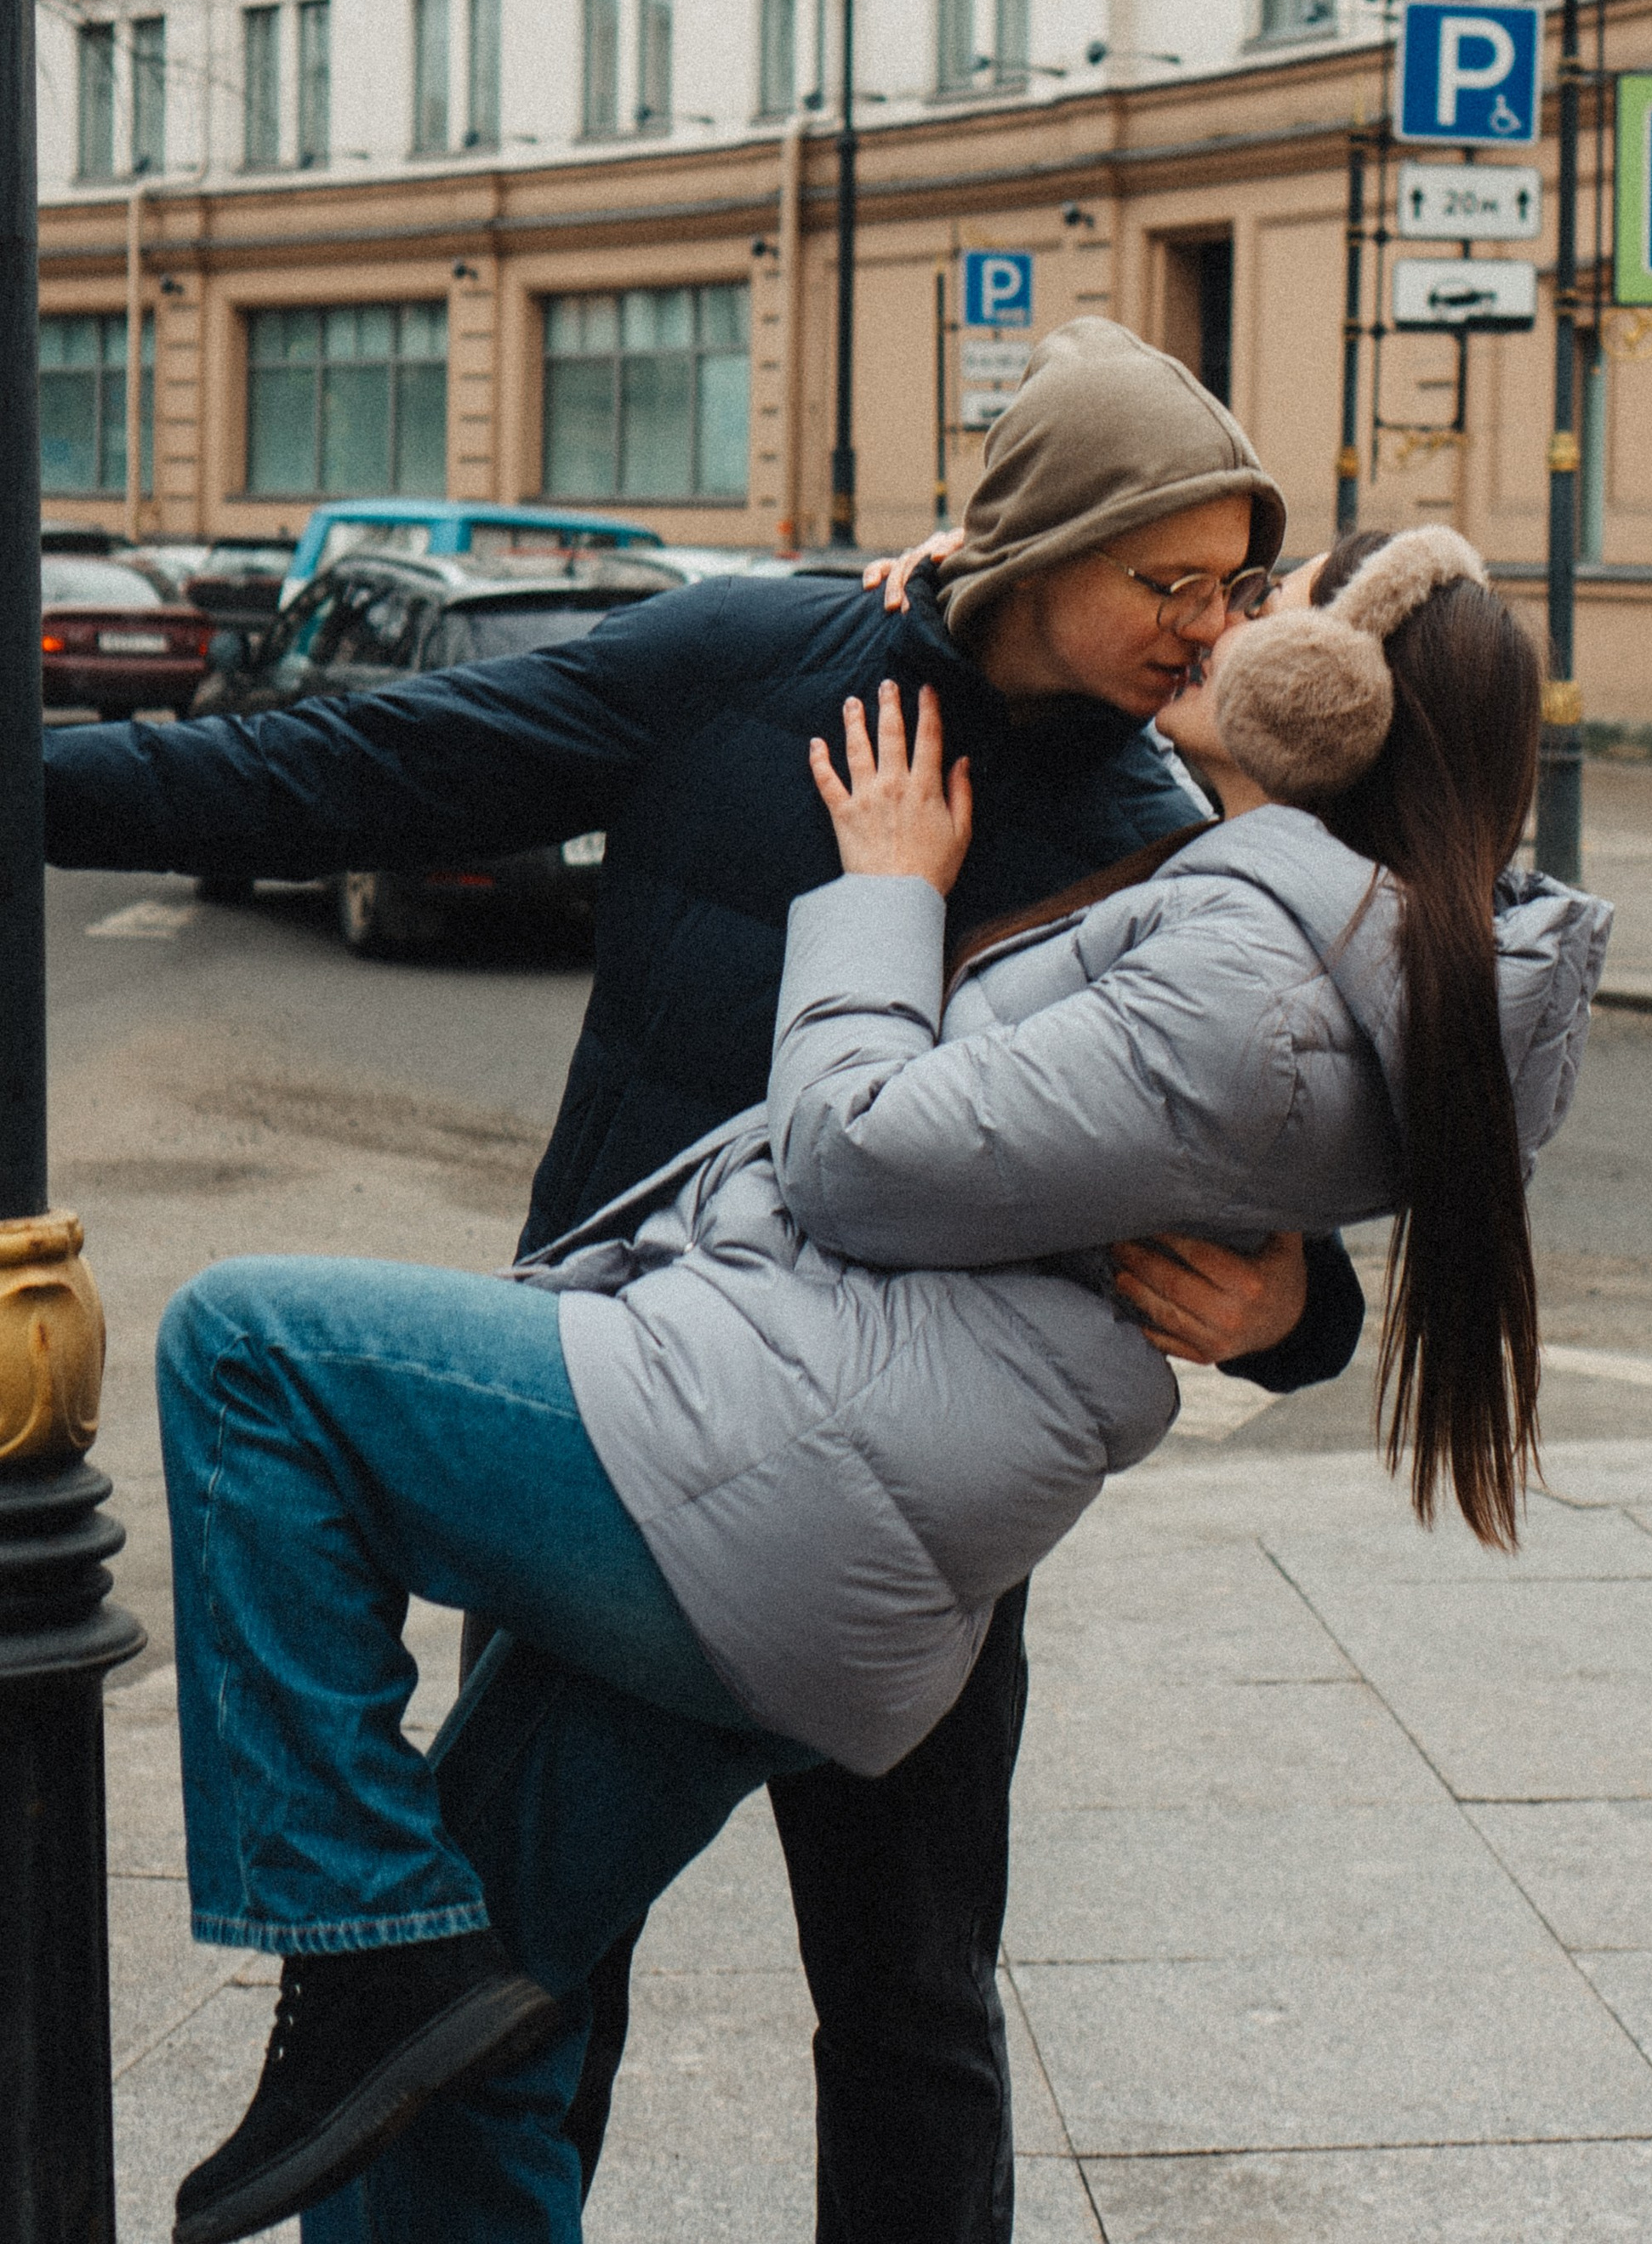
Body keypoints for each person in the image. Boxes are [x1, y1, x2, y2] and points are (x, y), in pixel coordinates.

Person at [46, 316, 1368, 2239]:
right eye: (1168, 582)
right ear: (1039, 545)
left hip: (897, 1508)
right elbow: (342, 772)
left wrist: (1301, 1319)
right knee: (523, 1987)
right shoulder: (748, 663)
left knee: (911, 1999)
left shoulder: (1159, 848)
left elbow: (1278, 1167)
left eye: (1231, 587)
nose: (1206, 627)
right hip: (609, 1418)